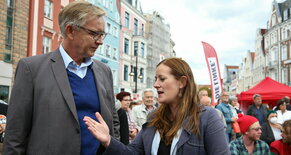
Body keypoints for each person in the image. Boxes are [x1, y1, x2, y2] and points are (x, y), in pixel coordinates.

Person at [3, 2, 119, 154]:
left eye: (102, 34)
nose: (100, 41)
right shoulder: (31, 68)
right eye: (93, 33)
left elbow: (113, 124)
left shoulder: (104, 71)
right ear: (70, 30)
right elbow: (15, 134)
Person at [83, 58, 230, 154]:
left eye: (162, 79)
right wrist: (108, 140)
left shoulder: (207, 117)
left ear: (182, 82)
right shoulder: (154, 117)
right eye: (155, 79)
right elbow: (133, 153)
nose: (155, 84)